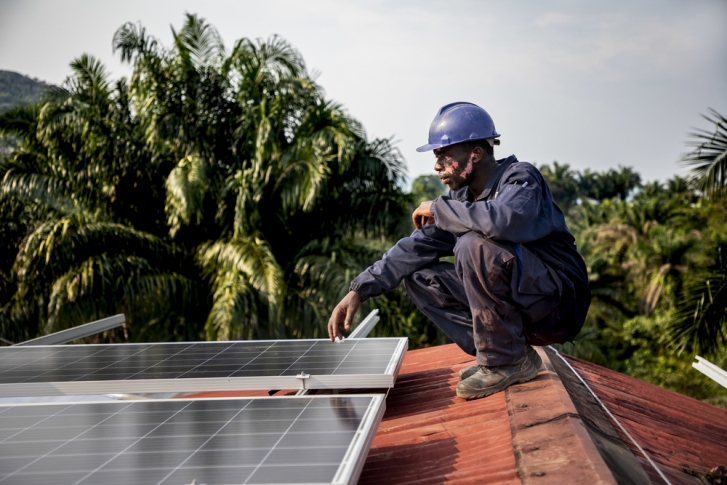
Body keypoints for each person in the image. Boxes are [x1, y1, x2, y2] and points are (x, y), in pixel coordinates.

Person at [327, 102, 591, 400]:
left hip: (558, 306)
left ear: (475, 154)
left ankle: (504, 361)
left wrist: (438, 207)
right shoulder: (461, 199)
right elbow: (415, 247)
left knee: (472, 244)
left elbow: (503, 221)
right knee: (418, 274)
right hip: (527, 304)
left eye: (444, 156)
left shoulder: (520, 179)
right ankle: (508, 354)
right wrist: (359, 289)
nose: (437, 165)